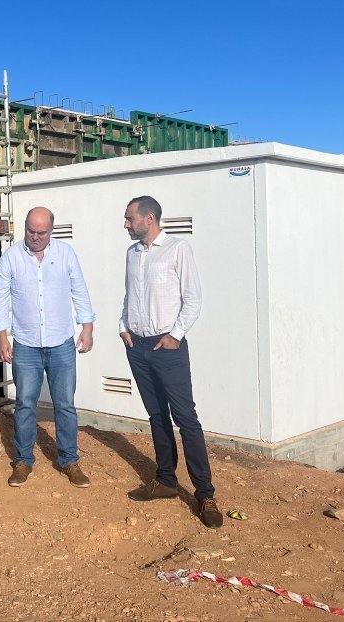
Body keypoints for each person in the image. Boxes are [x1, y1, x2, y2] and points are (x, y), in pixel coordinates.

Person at [118, 195, 223, 529]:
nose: (125, 224)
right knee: (156, 415)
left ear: (149, 219)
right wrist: (123, 326)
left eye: (129, 218)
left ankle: (204, 493)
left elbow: (193, 298)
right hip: (138, 346)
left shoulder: (178, 249)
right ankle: (164, 480)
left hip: (168, 347)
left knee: (185, 418)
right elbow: (129, 295)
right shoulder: (131, 254)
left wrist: (176, 334)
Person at [0, 206, 95, 489]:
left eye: (42, 232)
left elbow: (80, 290)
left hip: (61, 343)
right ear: (23, 227)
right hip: (25, 345)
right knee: (25, 404)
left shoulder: (65, 255)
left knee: (65, 404)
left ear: (51, 231)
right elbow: (0, 299)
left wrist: (87, 326)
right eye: (30, 231)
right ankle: (23, 460)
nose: (35, 237)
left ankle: (69, 461)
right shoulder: (11, 258)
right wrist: (2, 336)